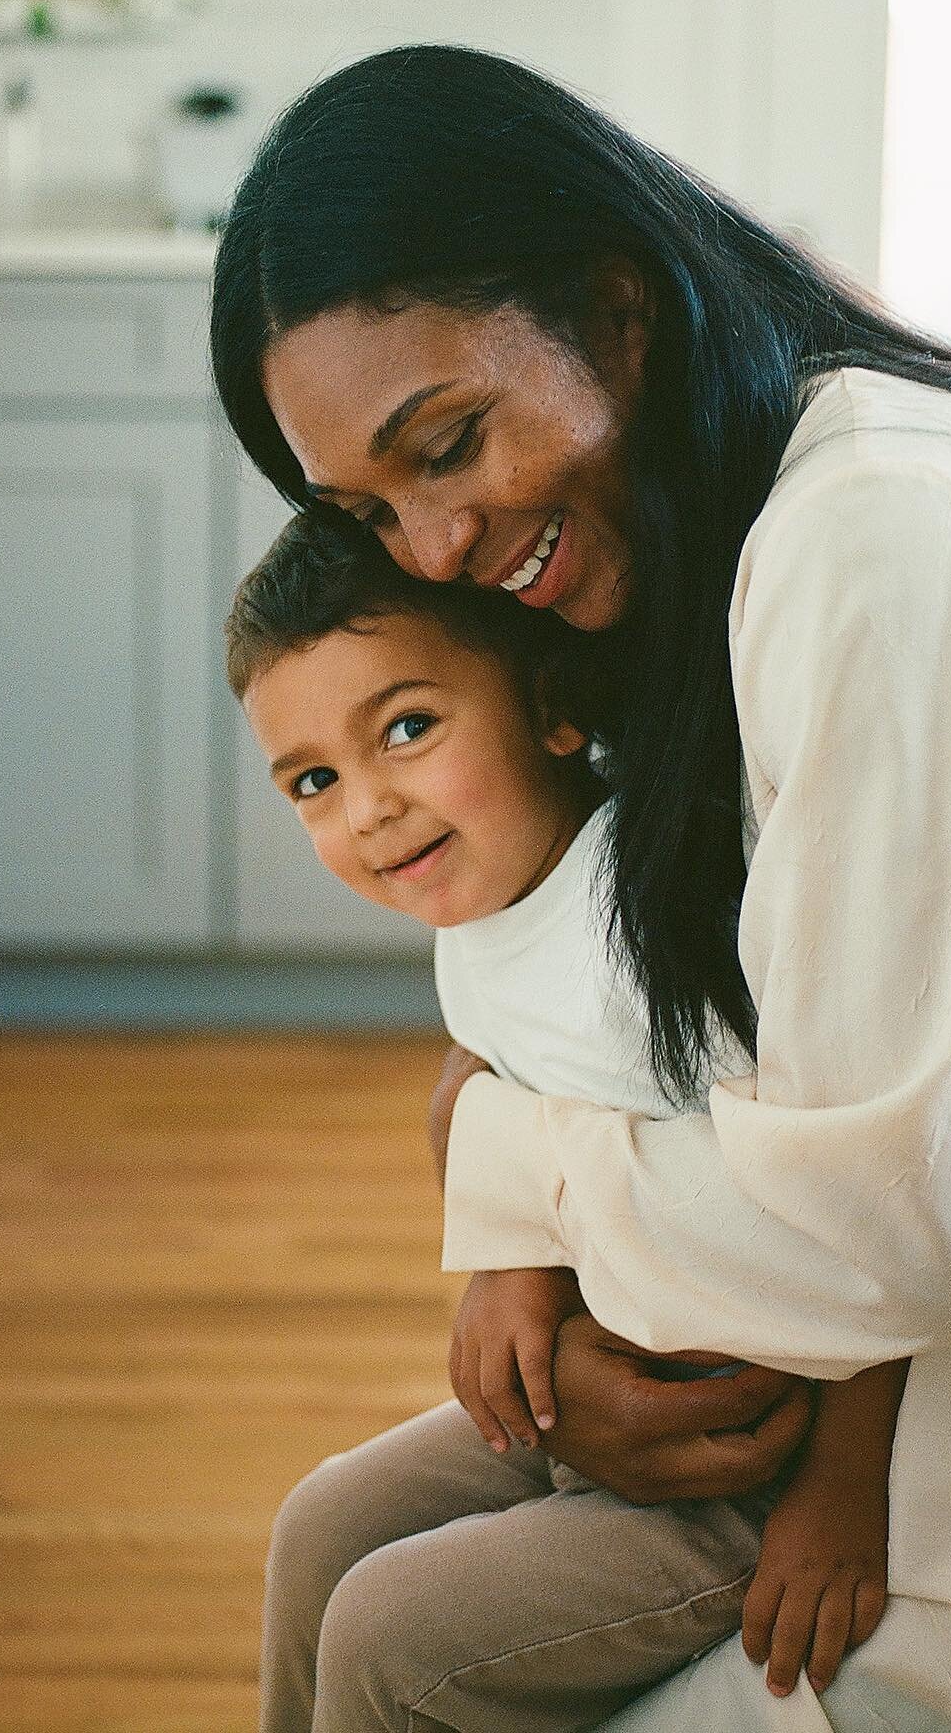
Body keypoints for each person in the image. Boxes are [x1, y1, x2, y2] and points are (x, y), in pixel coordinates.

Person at [210, 44, 951, 1731]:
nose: (434, 551)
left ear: (618, 312)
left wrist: (509, 1171)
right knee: (334, 1533)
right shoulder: (729, 525)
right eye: (367, 508)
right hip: (898, 1331)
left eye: (449, 443)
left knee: (400, 1642)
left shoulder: (883, 534)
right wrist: (570, 1312)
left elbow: (881, 1243)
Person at [226, 513, 911, 1726]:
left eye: (407, 729)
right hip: (595, 1393)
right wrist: (511, 1268)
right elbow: (510, 1097)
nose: (370, 809)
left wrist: (845, 1484)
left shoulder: (653, 931)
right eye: (315, 781)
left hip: (751, 1457)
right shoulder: (477, 915)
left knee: (392, 1635)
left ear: (551, 709)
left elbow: (859, 1206)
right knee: (318, 1526)